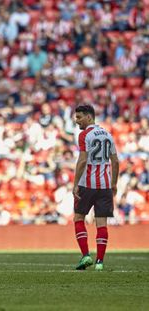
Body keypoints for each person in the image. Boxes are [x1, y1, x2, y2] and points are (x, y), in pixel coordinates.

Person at [72, 104, 119, 271]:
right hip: (105, 186)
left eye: (79, 117)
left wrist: (76, 183)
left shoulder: (84, 135)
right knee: (101, 224)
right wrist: (113, 183)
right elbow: (115, 161)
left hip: (87, 185)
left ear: (89, 117)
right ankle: (100, 262)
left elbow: (83, 160)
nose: (76, 121)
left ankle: (86, 256)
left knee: (78, 218)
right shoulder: (108, 134)